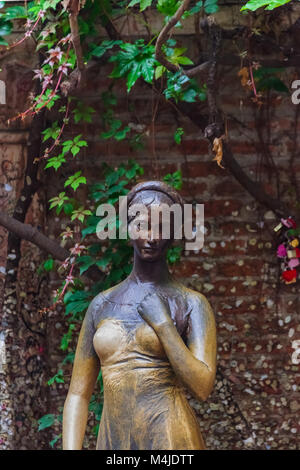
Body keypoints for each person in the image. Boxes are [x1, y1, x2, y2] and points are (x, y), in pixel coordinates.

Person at [62, 180, 217, 450]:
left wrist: (164, 325)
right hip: (114, 440)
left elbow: (202, 387)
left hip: (170, 438)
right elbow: (78, 393)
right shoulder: (102, 304)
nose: (151, 236)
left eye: (162, 226)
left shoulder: (191, 303)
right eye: (142, 224)